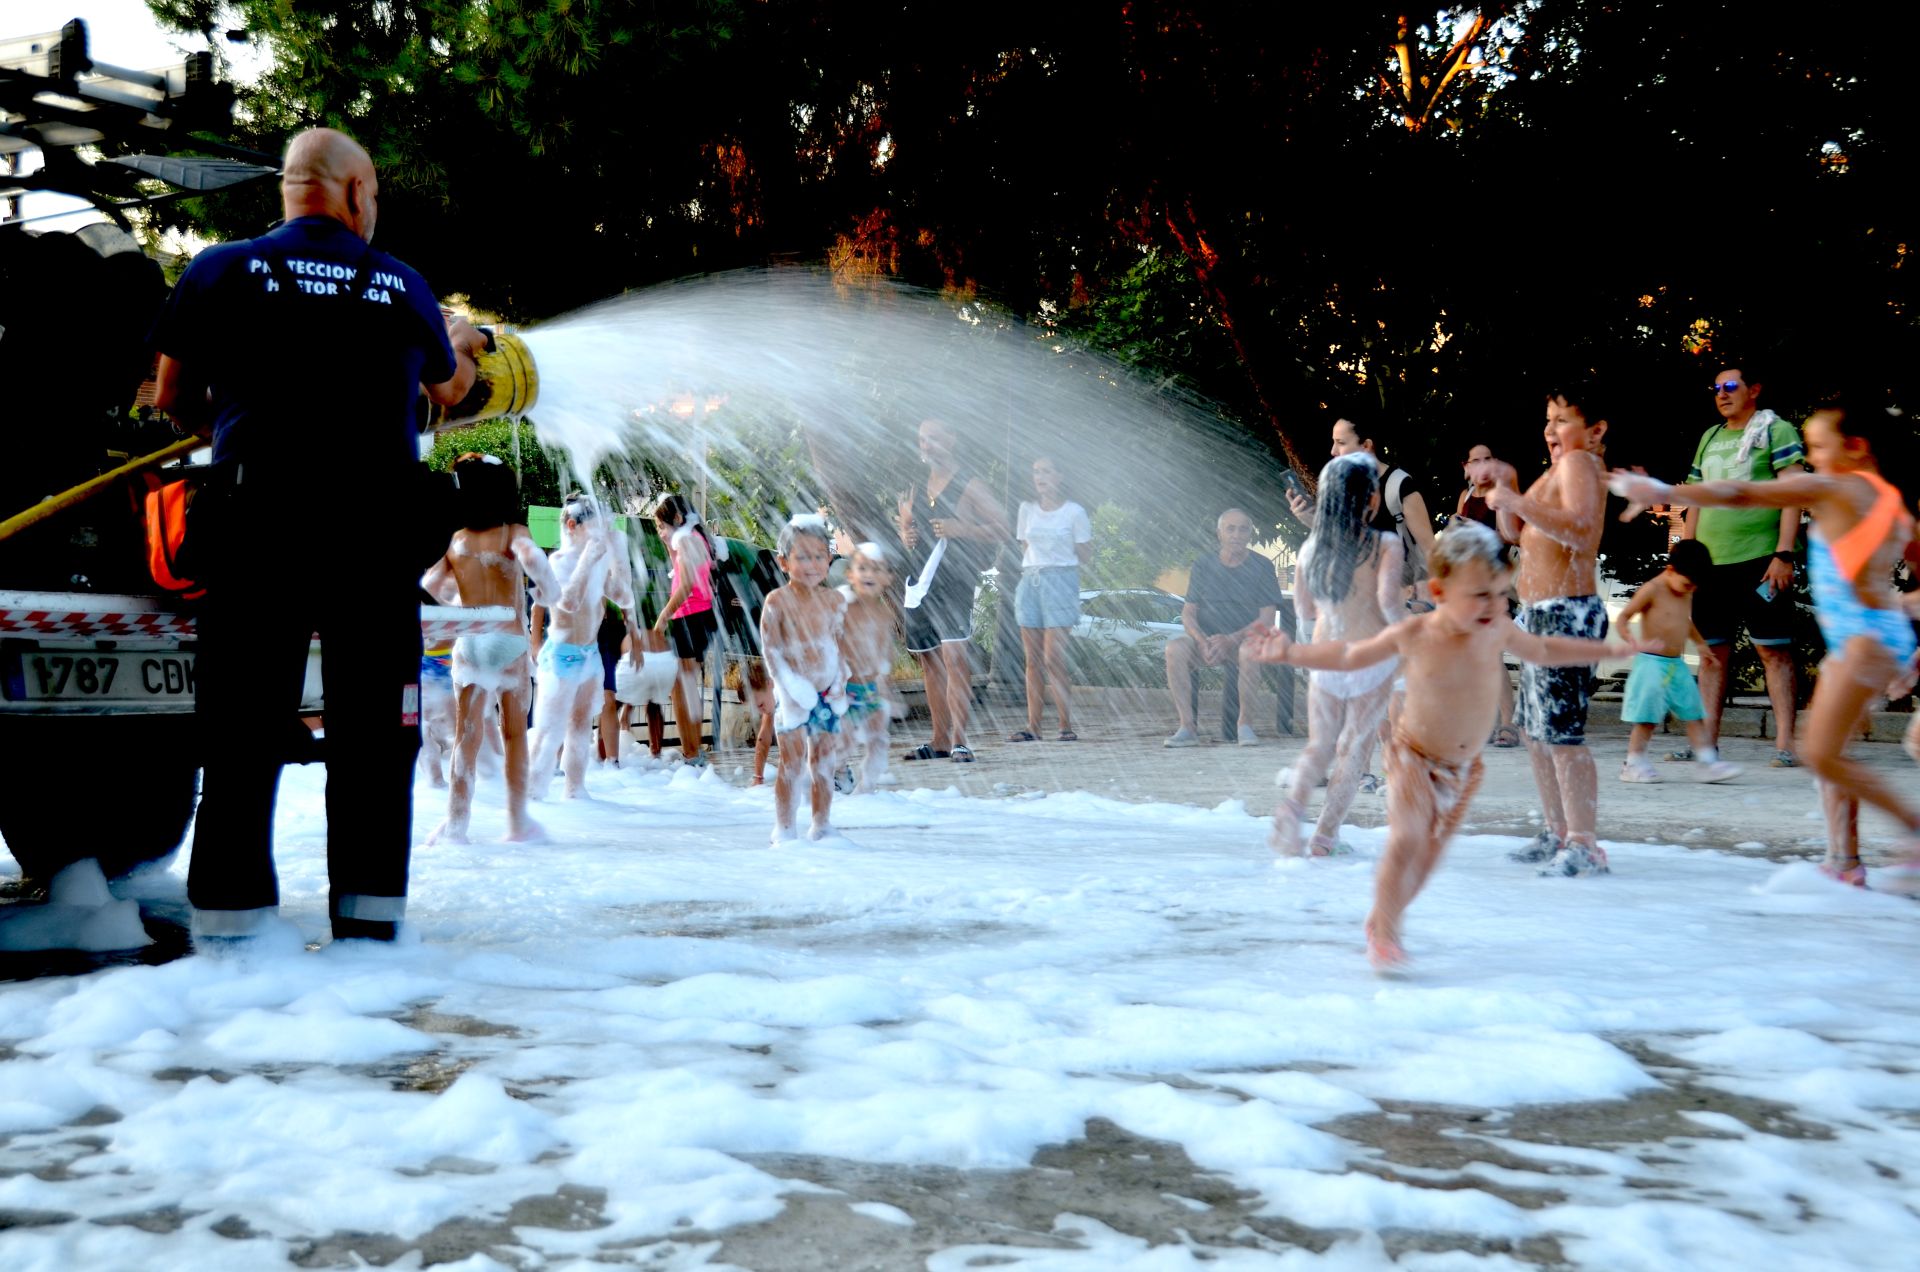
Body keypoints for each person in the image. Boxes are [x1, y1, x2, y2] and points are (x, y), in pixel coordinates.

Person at [150, 127, 484, 946]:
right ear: (358, 194)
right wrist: (466, 339)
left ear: (290, 190)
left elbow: (170, 399)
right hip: (371, 535)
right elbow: (451, 388)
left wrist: (237, 429)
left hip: (253, 524)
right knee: (375, 736)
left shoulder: (221, 268)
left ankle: (230, 937)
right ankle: (368, 938)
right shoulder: (400, 285)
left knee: (238, 730)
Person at [1249, 521, 1646, 971]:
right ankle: (1384, 930)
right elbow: (1347, 655)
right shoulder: (1416, 634)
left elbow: (1543, 650)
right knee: (1406, 841)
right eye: (1480, 595)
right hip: (1413, 757)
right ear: (1439, 591)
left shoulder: (1496, 629)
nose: (1494, 605)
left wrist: (1608, 652)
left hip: (1462, 771)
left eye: (1499, 594)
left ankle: (1386, 917)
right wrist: (1288, 653)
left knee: (1427, 861)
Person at [1612, 399, 1920, 890]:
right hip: (1869, 639)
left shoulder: (1837, 485)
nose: (1810, 457)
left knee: (1820, 753)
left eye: (1819, 446)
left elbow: (1742, 491)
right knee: (1832, 756)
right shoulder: (1890, 502)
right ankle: (1844, 863)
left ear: (1856, 449)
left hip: (1865, 641)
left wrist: (1665, 490)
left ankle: (1912, 832)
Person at [1484, 385, 1614, 877]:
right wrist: (1510, 487)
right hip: (1540, 616)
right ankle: (1557, 831)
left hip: (1568, 614)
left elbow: (1581, 531)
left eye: (1562, 420)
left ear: (1594, 430)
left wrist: (1517, 497)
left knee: (1561, 737)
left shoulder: (1582, 465)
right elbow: (1515, 532)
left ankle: (1584, 843)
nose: (1550, 430)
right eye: (1548, 420)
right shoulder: (1553, 473)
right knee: (1535, 734)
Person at [420, 453, 561, 844]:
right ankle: (517, 824)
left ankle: (457, 825)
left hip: (470, 641)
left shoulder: (456, 540)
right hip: (508, 639)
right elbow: (539, 569)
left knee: (466, 737)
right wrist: (547, 593)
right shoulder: (513, 533)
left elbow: (430, 590)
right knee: (514, 735)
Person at [1271, 455, 1404, 856]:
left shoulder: (1310, 548)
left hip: (1325, 656)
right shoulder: (1384, 543)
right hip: (1370, 656)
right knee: (1355, 747)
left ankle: (1292, 809)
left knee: (1320, 745)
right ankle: (1325, 837)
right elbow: (1388, 602)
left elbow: (1304, 611)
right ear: (1372, 500)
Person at [1677, 364, 1806, 768]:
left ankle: (1786, 745)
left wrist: (1784, 554)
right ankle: (1705, 744)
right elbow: (1695, 498)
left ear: (1755, 390)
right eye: (1716, 388)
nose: (1721, 393)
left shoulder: (1776, 430)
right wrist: (1684, 558)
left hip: (1760, 561)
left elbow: (1793, 492)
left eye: (1731, 386)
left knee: (1774, 652)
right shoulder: (1710, 437)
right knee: (1711, 654)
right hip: (1710, 565)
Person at [897, 418, 1009, 764]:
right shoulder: (918, 483)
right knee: (930, 661)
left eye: (933, 438)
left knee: (956, 660)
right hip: (920, 583)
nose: (926, 445)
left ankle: (961, 740)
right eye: (922, 439)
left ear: (952, 439)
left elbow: (1004, 527)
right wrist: (906, 533)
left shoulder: (969, 484)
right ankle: (939, 739)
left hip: (956, 582)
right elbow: (909, 527)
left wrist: (963, 528)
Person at [529, 493, 641, 801]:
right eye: (594, 527)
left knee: (579, 727)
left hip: (589, 657)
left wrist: (618, 559)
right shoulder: (558, 562)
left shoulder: (597, 565)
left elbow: (623, 597)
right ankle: (532, 797)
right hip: (561, 655)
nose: (599, 535)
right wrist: (589, 561)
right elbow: (567, 602)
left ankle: (576, 791)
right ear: (572, 526)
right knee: (550, 730)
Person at [1614, 540, 1742, 784]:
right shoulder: (1652, 589)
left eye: (1694, 586)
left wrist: (1701, 645)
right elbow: (1624, 617)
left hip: (1675, 664)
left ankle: (1707, 762)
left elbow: (1686, 621)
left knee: (1693, 712)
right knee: (1647, 716)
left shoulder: (1685, 589)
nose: (1690, 590)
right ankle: (1633, 763)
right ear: (1671, 570)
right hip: (1651, 663)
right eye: (1687, 584)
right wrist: (1630, 638)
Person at [1286, 412, 1437, 608]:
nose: (1333, 451)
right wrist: (1309, 520)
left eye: (1341, 443)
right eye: (1333, 442)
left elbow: (1430, 549)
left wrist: (1426, 601)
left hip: (1400, 602)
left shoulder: (1399, 485)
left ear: (1366, 446)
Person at [1164, 508, 1285, 747]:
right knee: (1174, 649)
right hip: (1206, 642)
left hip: (1245, 639)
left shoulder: (1262, 566)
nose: (1236, 535)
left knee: (1249, 651)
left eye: (1243, 529)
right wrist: (1201, 640)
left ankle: (1245, 725)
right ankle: (1187, 727)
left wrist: (1230, 639)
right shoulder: (1203, 564)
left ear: (1250, 533)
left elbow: (1267, 617)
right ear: (1219, 533)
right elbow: (1188, 612)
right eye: (1230, 529)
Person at [762, 516, 849, 842]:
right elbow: (771, 652)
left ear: (829, 558)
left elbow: (838, 648)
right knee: (792, 764)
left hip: (826, 695)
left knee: (824, 764)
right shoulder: (777, 601)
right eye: (801, 557)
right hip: (793, 696)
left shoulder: (834, 601)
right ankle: (784, 830)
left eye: (818, 556)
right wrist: (789, 689)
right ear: (783, 561)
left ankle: (822, 826)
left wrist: (840, 681)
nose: (811, 565)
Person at [1009, 456, 1093, 743]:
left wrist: (1058, 551)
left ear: (1060, 476)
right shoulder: (1026, 509)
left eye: (1046, 472)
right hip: (1030, 580)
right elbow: (1025, 545)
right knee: (1032, 660)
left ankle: (1064, 724)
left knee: (1052, 657)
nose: (1040, 477)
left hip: (1061, 581)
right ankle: (1033, 726)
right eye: (1036, 472)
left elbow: (1085, 554)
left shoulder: (1074, 512)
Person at [650, 492, 723, 767]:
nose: (660, 531)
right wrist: (669, 546)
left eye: (662, 526)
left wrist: (663, 616)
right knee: (687, 688)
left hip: (689, 618)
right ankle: (694, 752)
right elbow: (680, 573)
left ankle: (691, 754)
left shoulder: (689, 542)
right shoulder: (695, 539)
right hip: (699, 618)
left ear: (677, 519)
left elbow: (686, 585)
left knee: (681, 689)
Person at [1454, 442, 1519, 746]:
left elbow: (1510, 536)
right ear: (1466, 466)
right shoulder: (1465, 497)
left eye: (1487, 459)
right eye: (1475, 460)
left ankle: (1508, 724)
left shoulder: (1501, 497)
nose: (1482, 465)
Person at [841, 543, 903, 792]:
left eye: (877, 570)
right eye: (863, 568)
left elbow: (884, 653)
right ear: (850, 575)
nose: (869, 574)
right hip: (844, 689)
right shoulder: (845, 608)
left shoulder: (885, 614)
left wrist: (885, 688)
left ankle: (867, 787)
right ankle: (835, 774)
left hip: (870, 689)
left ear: (888, 578)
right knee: (841, 743)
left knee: (878, 740)